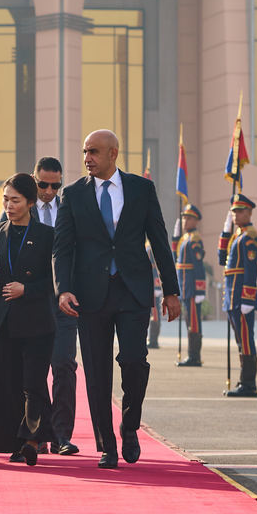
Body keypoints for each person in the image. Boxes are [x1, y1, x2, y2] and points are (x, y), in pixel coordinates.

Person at [54, 129, 180, 469]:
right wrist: (62, 288)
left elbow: (158, 238)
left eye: (94, 152)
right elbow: (62, 249)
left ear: (114, 153)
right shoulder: (73, 195)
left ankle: (129, 425)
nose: (87, 158)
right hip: (89, 295)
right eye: (84, 152)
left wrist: (171, 290)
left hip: (133, 290)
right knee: (96, 372)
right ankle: (107, 444)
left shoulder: (141, 189)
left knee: (135, 361)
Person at [0, 173, 57, 465]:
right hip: (3, 320)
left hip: (37, 320)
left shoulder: (47, 235)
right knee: (7, 384)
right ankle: (13, 442)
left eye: (15, 200)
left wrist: (26, 289)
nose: (9, 205)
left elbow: (55, 280)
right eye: (5, 199)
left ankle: (31, 439)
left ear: (31, 203)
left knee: (33, 383)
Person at [33, 157, 79, 455]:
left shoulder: (70, 209)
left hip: (63, 302)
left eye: (55, 185)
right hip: (31, 304)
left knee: (63, 366)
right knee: (35, 372)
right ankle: (38, 431)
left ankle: (62, 435)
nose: (49, 191)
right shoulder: (17, 208)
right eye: (43, 185)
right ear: (34, 179)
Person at [221, 193, 257, 397]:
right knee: (241, 340)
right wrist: (225, 231)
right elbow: (222, 260)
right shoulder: (237, 236)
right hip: (232, 296)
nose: (236, 215)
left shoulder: (249, 237)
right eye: (234, 211)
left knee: (246, 340)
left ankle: (249, 384)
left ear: (249, 212)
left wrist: (248, 298)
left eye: (240, 211)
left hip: (241, 297)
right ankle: (243, 381)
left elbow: (251, 269)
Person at [175, 204, 209, 367]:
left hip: (192, 288)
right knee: (189, 320)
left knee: (194, 322)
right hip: (184, 287)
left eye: (188, 218)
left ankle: (194, 356)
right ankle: (191, 355)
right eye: (184, 218)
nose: (185, 221)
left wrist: (200, 288)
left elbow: (198, 265)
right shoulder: (185, 238)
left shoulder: (195, 239)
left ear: (195, 221)